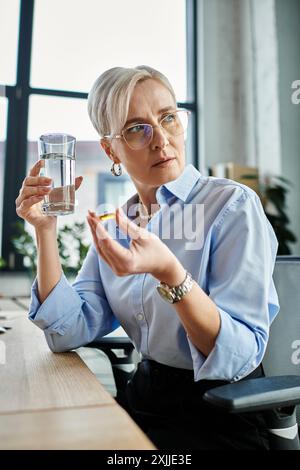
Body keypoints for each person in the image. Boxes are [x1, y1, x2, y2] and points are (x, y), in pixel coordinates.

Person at [16, 65, 279, 450]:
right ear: (111, 149)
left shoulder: (232, 205)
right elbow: (68, 329)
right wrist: (45, 231)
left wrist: (171, 274)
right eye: (137, 129)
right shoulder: (118, 224)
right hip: (146, 398)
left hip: (220, 412)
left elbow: (239, 355)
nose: (160, 140)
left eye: (168, 118)